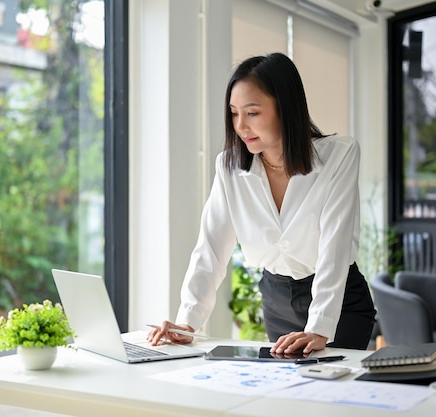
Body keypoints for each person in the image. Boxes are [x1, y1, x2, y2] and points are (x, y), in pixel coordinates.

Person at [148, 52, 376, 355]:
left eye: (252, 113)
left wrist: (319, 326)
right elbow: (211, 249)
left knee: (333, 395)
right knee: (286, 397)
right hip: (276, 302)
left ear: (285, 108)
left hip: (339, 305)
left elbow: (335, 246)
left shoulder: (339, 155)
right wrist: (187, 322)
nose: (241, 126)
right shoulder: (229, 167)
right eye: (233, 113)